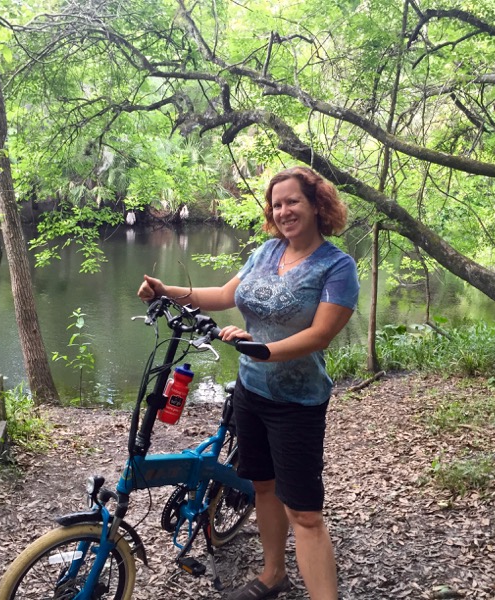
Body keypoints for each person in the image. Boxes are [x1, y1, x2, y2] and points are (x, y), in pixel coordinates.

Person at [137, 166, 359, 600]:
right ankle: (273, 574)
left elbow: (320, 335)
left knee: (305, 513)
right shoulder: (266, 252)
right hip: (251, 392)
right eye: (277, 204)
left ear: (317, 204)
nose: (283, 211)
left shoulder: (337, 266)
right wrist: (166, 290)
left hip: (297, 403)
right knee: (263, 486)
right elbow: (224, 296)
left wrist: (262, 349)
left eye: (293, 201)